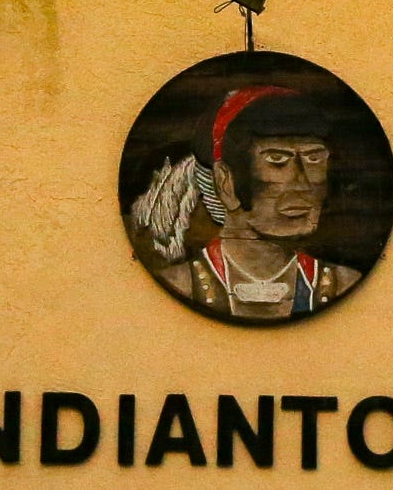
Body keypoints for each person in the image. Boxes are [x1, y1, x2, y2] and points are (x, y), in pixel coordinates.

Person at [129, 84, 362, 321]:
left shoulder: (342, 285)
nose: (302, 182)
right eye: (277, 159)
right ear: (225, 181)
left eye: (314, 158)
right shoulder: (181, 285)